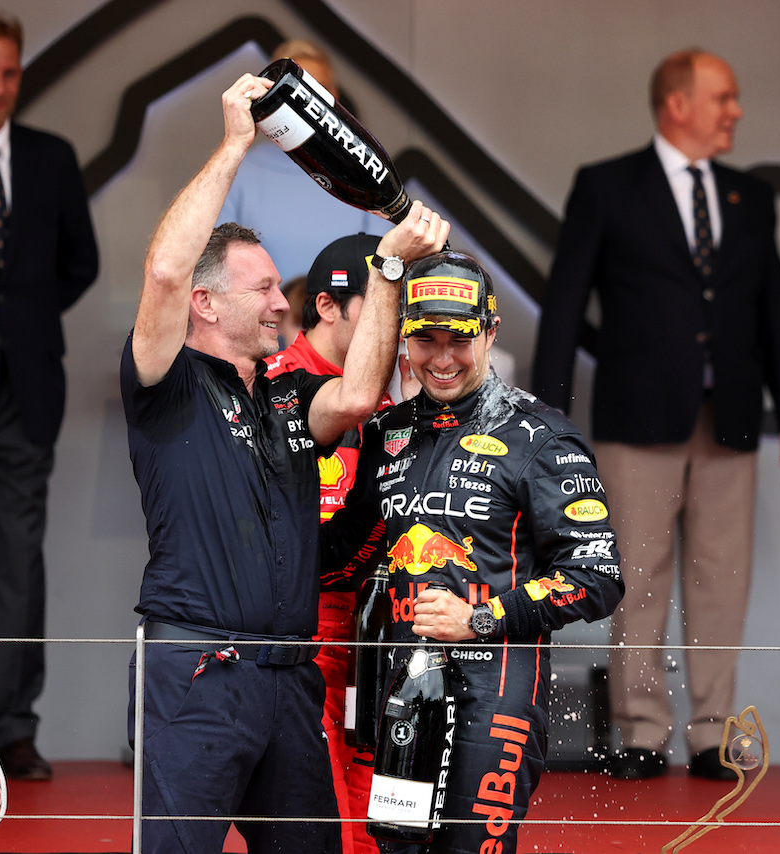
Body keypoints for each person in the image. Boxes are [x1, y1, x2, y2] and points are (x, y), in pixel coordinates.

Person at [120, 69, 446, 853]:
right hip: (197, 674)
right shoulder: (166, 383)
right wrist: (236, 144)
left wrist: (390, 269)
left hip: (290, 680)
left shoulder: (290, 392)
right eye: (264, 289)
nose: (281, 304)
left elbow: (362, 392)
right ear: (207, 305)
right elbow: (165, 269)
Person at [530, 48, 780, 781]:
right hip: (637, 418)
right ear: (676, 103)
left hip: (732, 418)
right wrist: (547, 423)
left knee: (723, 578)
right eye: (725, 97)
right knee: (637, 574)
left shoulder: (752, 196)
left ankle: (714, 734)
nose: (736, 111)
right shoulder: (606, 186)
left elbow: (772, 309)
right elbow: (563, 308)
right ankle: (639, 731)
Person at [323, 250, 624, 854]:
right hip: (402, 690)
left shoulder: (542, 437)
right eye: (424, 340)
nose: (440, 359)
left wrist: (478, 618)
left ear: (490, 333)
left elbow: (597, 578)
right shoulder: (387, 432)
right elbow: (338, 555)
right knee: (398, 848)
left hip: (497, 694)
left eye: (458, 340)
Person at [0, 13, 98, 781]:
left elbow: (81, 262)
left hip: (27, 387)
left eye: (9, 72)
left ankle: (13, 729)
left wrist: (25, 319)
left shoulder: (51, 157)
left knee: (19, 564)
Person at [262, 233, 395, 854]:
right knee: (323, 809)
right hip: (303, 633)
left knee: (380, 808)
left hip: (378, 634)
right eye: (381, 306)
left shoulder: (387, 403)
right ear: (327, 306)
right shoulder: (274, 388)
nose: (394, 328)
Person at [219, 38, 387, 283]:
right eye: (295, 90)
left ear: (335, 96)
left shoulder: (366, 166)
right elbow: (220, 264)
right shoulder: (238, 169)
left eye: (319, 89)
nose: (307, 101)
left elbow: (380, 262)